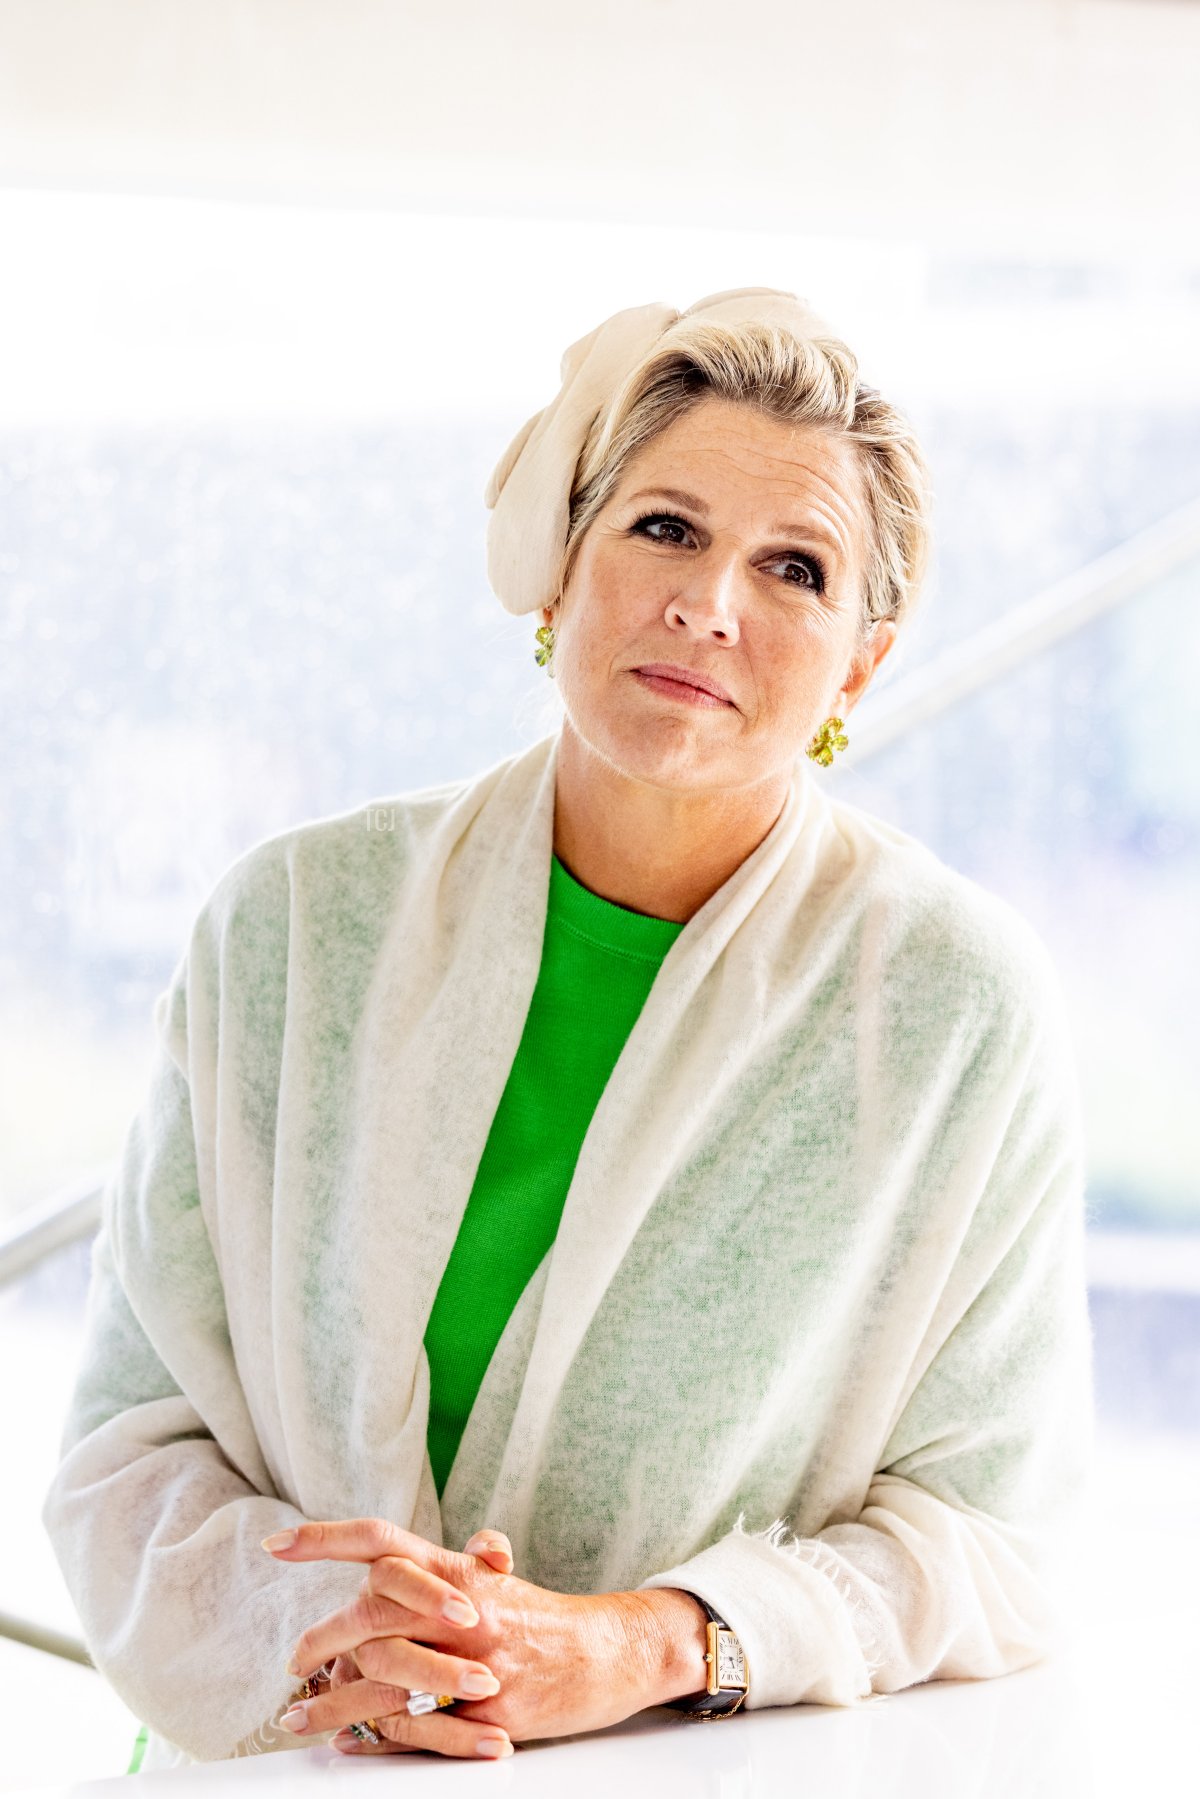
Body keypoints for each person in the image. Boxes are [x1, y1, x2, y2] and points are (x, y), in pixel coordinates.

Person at [42, 286, 1095, 1771]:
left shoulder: (952, 1009)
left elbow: (994, 1536)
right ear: (559, 569)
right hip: (285, 1766)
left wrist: (641, 1644)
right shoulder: (289, 928)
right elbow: (127, 1454)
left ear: (862, 658)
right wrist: (382, 1642)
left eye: (793, 566)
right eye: (664, 528)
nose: (708, 604)